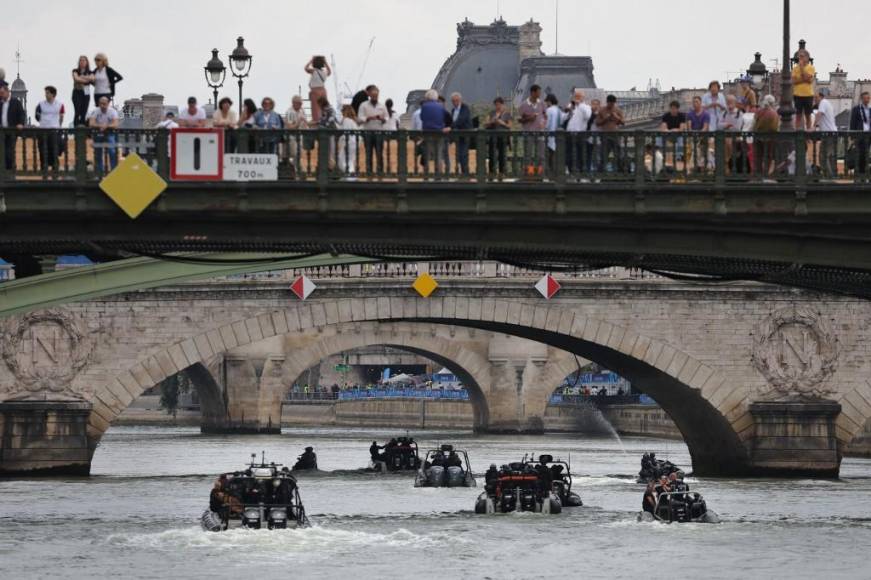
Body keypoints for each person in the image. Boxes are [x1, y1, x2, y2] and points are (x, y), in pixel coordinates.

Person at [357, 85, 388, 174]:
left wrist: (382, 119)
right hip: (367, 132)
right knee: (368, 153)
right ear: (370, 95)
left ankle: (380, 171)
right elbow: (360, 118)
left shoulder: (382, 106)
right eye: (373, 95)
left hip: (379, 132)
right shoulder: (363, 105)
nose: (375, 97)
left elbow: (387, 117)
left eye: (376, 95)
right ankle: (369, 170)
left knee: (379, 153)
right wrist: (368, 118)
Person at [35, 86, 65, 173]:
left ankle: (55, 167)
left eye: (48, 93)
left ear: (53, 94)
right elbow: (37, 116)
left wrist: (59, 125)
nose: (46, 94)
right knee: (43, 150)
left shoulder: (60, 104)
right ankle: (44, 167)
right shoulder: (40, 104)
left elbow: (61, 116)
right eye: (46, 92)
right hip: (43, 130)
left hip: (54, 130)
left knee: (53, 150)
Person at [87, 96, 119, 173]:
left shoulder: (112, 111)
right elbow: (91, 123)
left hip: (110, 133)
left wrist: (106, 126)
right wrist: (101, 126)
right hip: (98, 133)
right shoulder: (95, 111)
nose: (102, 106)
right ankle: (99, 172)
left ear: (108, 104)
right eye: (101, 104)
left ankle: (114, 171)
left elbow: (115, 124)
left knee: (112, 151)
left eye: (104, 104)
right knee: (98, 152)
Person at [519, 84, 547, 173]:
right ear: (533, 92)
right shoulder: (524, 105)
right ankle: (530, 173)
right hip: (528, 132)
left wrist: (544, 123)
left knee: (541, 155)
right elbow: (520, 120)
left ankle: (539, 173)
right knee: (528, 154)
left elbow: (545, 116)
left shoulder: (542, 103)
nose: (539, 94)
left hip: (540, 132)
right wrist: (529, 119)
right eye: (538, 92)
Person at [420, 89, 448, 175]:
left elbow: (422, 117)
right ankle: (438, 175)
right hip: (439, 132)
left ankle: (426, 175)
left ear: (427, 97)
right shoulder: (440, 106)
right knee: (438, 155)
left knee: (427, 155)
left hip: (427, 133)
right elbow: (447, 117)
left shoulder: (424, 106)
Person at [752, 95, 781, 179]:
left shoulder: (758, 111)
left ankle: (758, 173)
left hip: (758, 137)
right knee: (768, 156)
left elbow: (753, 124)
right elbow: (776, 128)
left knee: (758, 156)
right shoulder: (774, 113)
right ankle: (766, 173)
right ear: (772, 103)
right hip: (770, 138)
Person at [565, 89, 592, 176]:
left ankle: (579, 173)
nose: (576, 98)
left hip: (579, 134)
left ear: (582, 98)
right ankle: (571, 171)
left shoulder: (586, 107)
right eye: (575, 96)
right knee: (569, 155)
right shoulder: (573, 107)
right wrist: (569, 111)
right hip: (569, 134)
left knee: (579, 154)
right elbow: (565, 118)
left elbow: (587, 116)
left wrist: (579, 104)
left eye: (578, 97)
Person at [0, 82, 25, 172]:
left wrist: (21, 123)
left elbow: (22, 114)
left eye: (2, 93)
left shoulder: (16, 102)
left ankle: (11, 173)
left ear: (7, 92)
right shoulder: (1, 103)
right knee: (2, 154)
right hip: (2, 133)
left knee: (9, 153)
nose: (1, 95)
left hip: (11, 132)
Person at [596, 94, 625, 172]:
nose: (611, 105)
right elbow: (597, 123)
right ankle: (601, 173)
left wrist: (616, 117)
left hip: (616, 135)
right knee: (603, 155)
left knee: (619, 155)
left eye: (613, 103)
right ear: (607, 102)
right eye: (610, 103)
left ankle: (621, 172)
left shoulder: (618, 110)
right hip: (605, 135)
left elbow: (623, 122)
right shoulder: (602, 110)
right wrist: (606, 118)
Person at [484, 96, 511, 178]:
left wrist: (502, 122)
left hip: (502, 137)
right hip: (493, 136)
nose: (497, 106)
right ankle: (491, 172)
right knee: (491, 154)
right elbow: (485, 124)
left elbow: (509, 125)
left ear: (502, 105)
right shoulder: (491, 113)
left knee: (502, 155)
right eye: (496, 105)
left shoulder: (507, 114)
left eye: (499, 104)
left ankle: (501, 172)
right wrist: (492, 121)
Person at [814, 90, 837, 177]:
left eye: (816, 98)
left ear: (821, 97)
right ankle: (830, 174)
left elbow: (819, 114)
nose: (815, 100)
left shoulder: (823, 102)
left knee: (824, 155)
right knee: (828, 155)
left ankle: (829, 175)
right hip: (831, 133)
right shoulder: (827, 103)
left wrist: (813, 126)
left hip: (828, 133)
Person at [792, 49, 816, 131]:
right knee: (798, 115)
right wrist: (804, 78)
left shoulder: (811, 68)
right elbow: (794, 81)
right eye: (799, 56)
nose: (800, 58)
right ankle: (796, 132)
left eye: (802, 56)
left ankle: (808, 133)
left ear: (807, 57)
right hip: (797, 94)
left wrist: (802, 68)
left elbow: (809, 80)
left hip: (808, 95)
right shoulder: (795, 68)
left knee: (808, 115)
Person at [450, 92, 473, 175]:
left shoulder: (465, 108)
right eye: (453, 101)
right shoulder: (453, 110)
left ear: (460, 100)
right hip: (457, 135)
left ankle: (466, 174)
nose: (455, 103)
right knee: (459, 155)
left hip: (465, 134)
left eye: (456, 100)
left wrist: (450, 127)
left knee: (463, 155)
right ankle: (462, 173)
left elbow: (461, 119)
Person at [686, 96, 711, 172]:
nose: (695, 103)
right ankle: (695, 166)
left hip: (703, 136)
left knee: (702, 148)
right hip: (693, 136)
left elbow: (705, 127)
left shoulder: (706, 114)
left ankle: (703, 166)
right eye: (693, 102)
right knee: (694, 148)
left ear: (700, 103)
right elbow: (689, 127)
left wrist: (699, 135)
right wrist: (694, 134)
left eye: (696, 101)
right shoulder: (690, 114)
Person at [849, 92, 871, 177]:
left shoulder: (870, 109)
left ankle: (864, 172)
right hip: (859, 134)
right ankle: (859, 172)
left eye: (868, 98)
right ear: (862, 99)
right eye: (865, 98)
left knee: (866, 153)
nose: (867, 100)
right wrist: (852, 136)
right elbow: (852, 122)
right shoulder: (856, 109)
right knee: (859, 154)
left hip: (868, 135)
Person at [305, 55, 331, 123]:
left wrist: (311, 60)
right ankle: (324, 121)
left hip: (315, 91)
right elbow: (329, 72)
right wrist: (325, 62)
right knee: (323, 108)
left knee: (315, 109)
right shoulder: (324, 72)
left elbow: (306, 68)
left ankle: (317, 122)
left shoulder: (314, 71)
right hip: (323, 91)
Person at [284, 95, 307, 169]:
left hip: (299, 136)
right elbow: (290, 127)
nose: (301, 105)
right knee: (293, 153)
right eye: (299, 103)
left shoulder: (302, 110)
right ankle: (293, 169)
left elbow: (305, 123)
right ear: (293, 103)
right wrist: (299, 121)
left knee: (299, 154)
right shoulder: (290, 112)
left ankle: (295, 169)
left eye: (301, 103)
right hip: (291, 136)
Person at [71, 56, 94, 127]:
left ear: (87, 62)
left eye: (84, 60)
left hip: (86, 93)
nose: (82, 62)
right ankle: (76, 127)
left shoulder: (90, 72)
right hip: (77, 92)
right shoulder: (75, 70)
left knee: (84, 112)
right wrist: (87, 79)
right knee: (77, 111)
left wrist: (81, 77)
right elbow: (76, 79)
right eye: (80, 60)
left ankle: (83, 127)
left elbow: (92, 79)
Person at [544, 93, 564, 174]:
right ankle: (557, 172)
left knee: (549, 156)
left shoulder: (549, 110)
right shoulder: (559, 110)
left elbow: (547, 123)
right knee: (556, 155)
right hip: (558, 136)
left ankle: (551, 172)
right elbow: (562, 121)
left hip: (550, 135)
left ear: (549, 101)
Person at [337, 104, 359, 175]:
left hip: (348, 143)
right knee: (350, 161)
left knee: (341, 160)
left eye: (343, 111)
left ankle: (349, 174)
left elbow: (345, 133)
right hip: (354, 144)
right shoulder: (353, 121)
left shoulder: (346, 120)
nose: (342, 113)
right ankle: (351, 175)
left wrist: (344, 144)